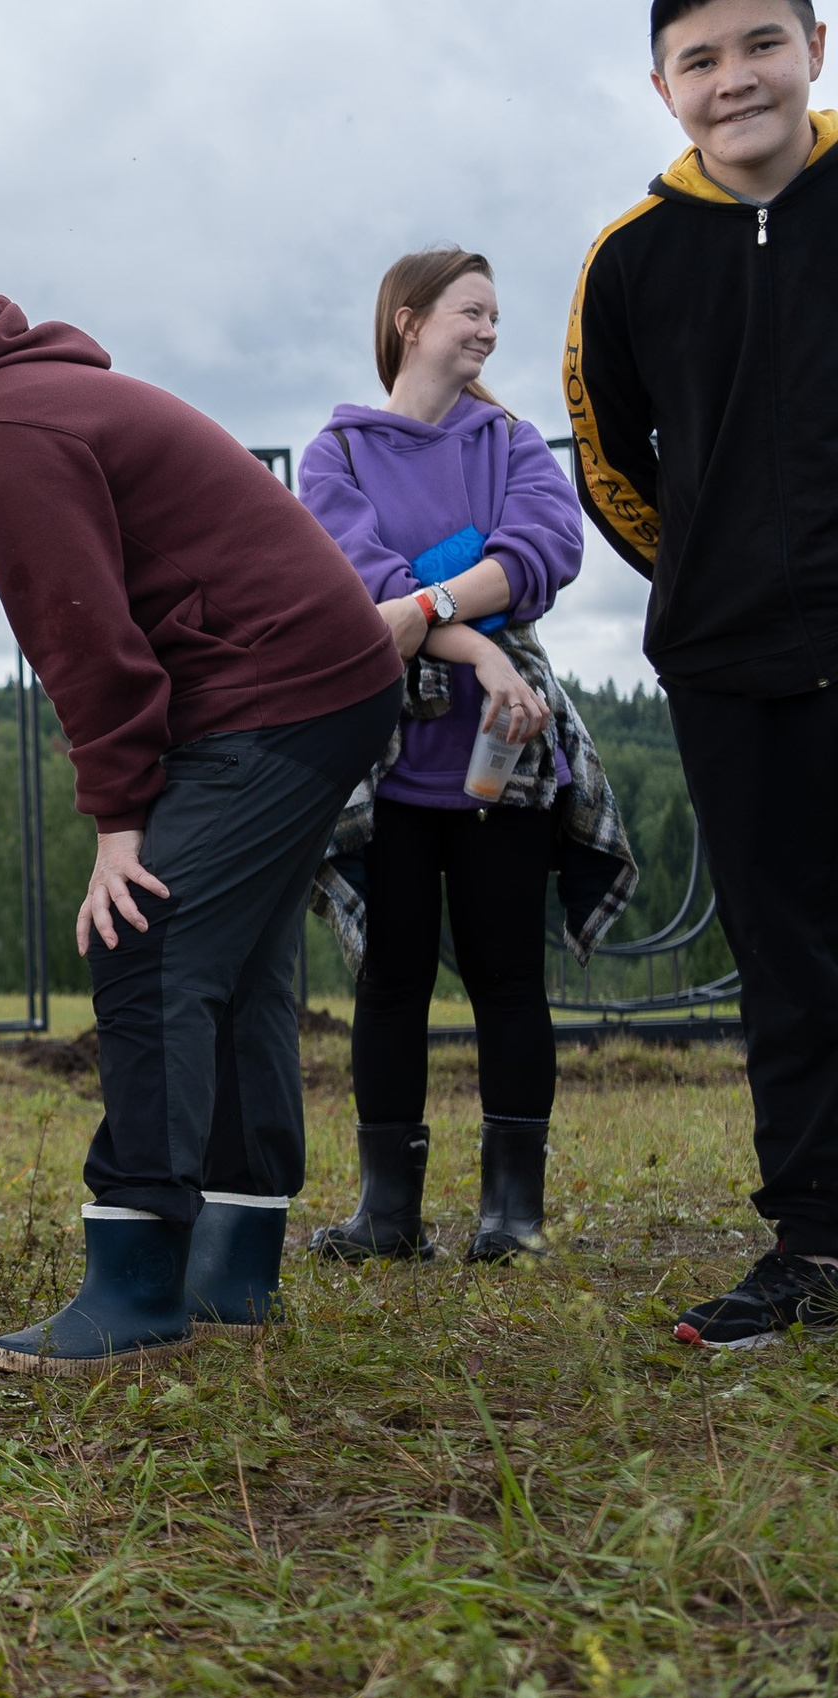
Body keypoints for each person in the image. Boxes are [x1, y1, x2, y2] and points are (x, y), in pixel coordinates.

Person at [0, 259, 405, 1375]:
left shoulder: (0, 431)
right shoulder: (31, 400)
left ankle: (135, 1285)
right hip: (321, 680)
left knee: (146, 938)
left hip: (276, 690)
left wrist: (119, 823)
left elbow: (83, 638)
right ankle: (235, 1264)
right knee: (237, 965)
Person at [570, 0, 838, 1347]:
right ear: (663, 84)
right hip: (732, 658)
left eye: (760, 45)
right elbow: (607, 449)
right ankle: (817, 1238)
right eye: (702, 59)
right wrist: (702, 574)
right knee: (785, 951)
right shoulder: (629, 258)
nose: (735, 80)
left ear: (816, 48)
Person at [298, 248, 633, 1270]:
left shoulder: (514, 442)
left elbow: (546, 550)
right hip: (384, 764)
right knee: (391, 982)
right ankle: (386, 1216)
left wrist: (429, 601)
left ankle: (510, 1218)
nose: (488, 331)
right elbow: (357, 585)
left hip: (505, 757)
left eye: (494, 316)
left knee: (505, 979)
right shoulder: (336, 454)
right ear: (407, 319)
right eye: (468, 312)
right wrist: (482, 631)